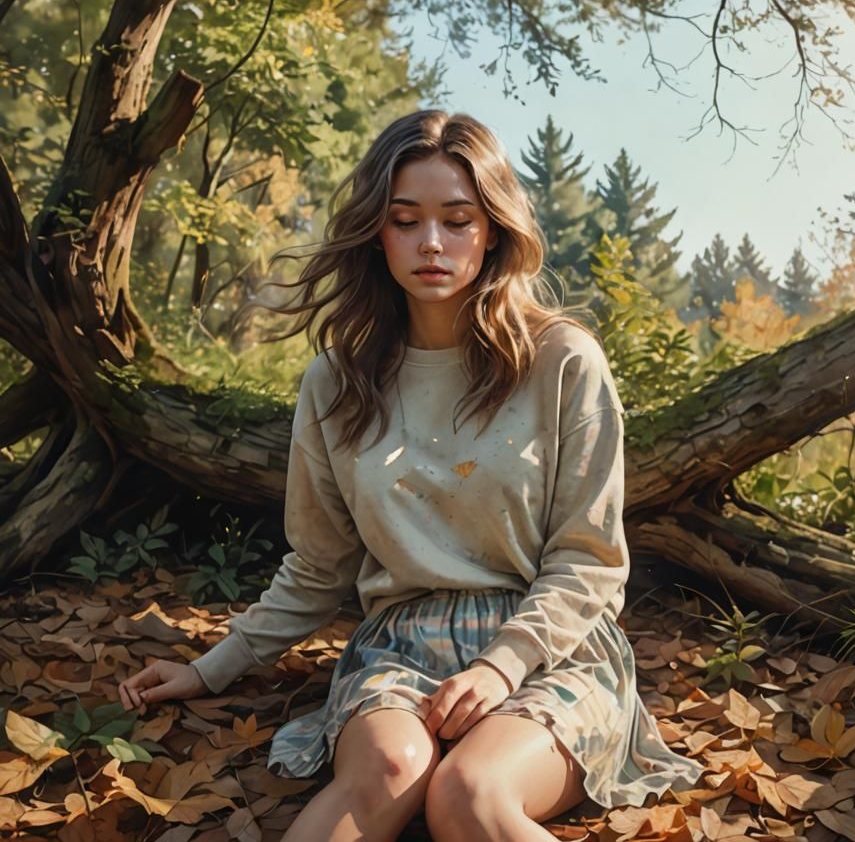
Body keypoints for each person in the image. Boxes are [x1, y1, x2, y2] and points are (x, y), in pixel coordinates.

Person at [119, 110, 703, 841]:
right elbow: (320, 561)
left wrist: (500, 667)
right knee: (390, 770)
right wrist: (212, 669)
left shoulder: (563, 361)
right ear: (376, 231)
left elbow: (589, 560)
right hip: (399, 644)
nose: (432, 242)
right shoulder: (336, 382)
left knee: (468, 793)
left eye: (458, 220)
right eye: (406, 220)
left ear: (493, 229)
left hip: (550, 647)